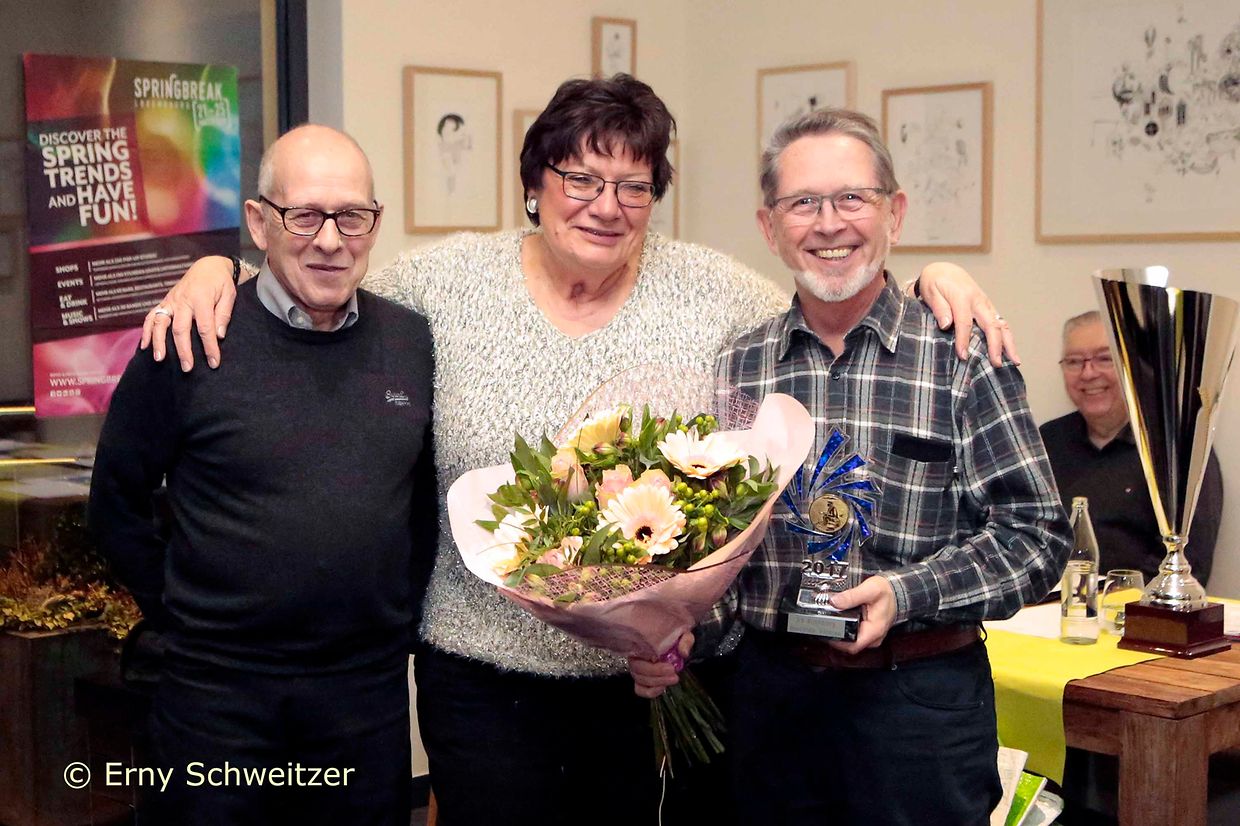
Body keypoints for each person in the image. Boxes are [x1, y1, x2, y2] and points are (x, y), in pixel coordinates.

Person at [137, 76, 1019, 825]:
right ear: (534, 184)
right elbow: (322, 278)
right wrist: (218, 272)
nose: (606, 205)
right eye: (581, 178)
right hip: (483, 683)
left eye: (634, 185)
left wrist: (935, 280)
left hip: (659, 686)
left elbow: (828, 296)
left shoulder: (715, 293)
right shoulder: (442, 284)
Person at [633, 108, 1069, 825]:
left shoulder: (962, 353)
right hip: (768, 705)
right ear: (770, 227)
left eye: (851, 198)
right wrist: (675, 630)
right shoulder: (738, 369)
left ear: (894, 213)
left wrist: (906, 592)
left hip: (919, 705)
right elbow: (716, 545)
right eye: (802, 203)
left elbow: (1036, 538)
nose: (829, 223)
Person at [89, 125, 436, 826]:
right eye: (304, 215)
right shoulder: (190, 338)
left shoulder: (409, 341)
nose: (330, 240)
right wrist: (186, 614)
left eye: (352, 216)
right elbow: (115, 505)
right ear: (259, 223)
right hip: (216, 702)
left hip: (363, 700)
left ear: (375, 223)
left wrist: (393, 620)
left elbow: (421, 504)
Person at [1040, 310, 1223, 585]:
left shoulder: (1177, 448)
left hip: (1140, 607)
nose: (1088, 373)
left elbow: (1189, 564)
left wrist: (1111, 598)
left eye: (1104, 358)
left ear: (1132, 366)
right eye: (1074, 361)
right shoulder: (1046, 441)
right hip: (1046, 604)